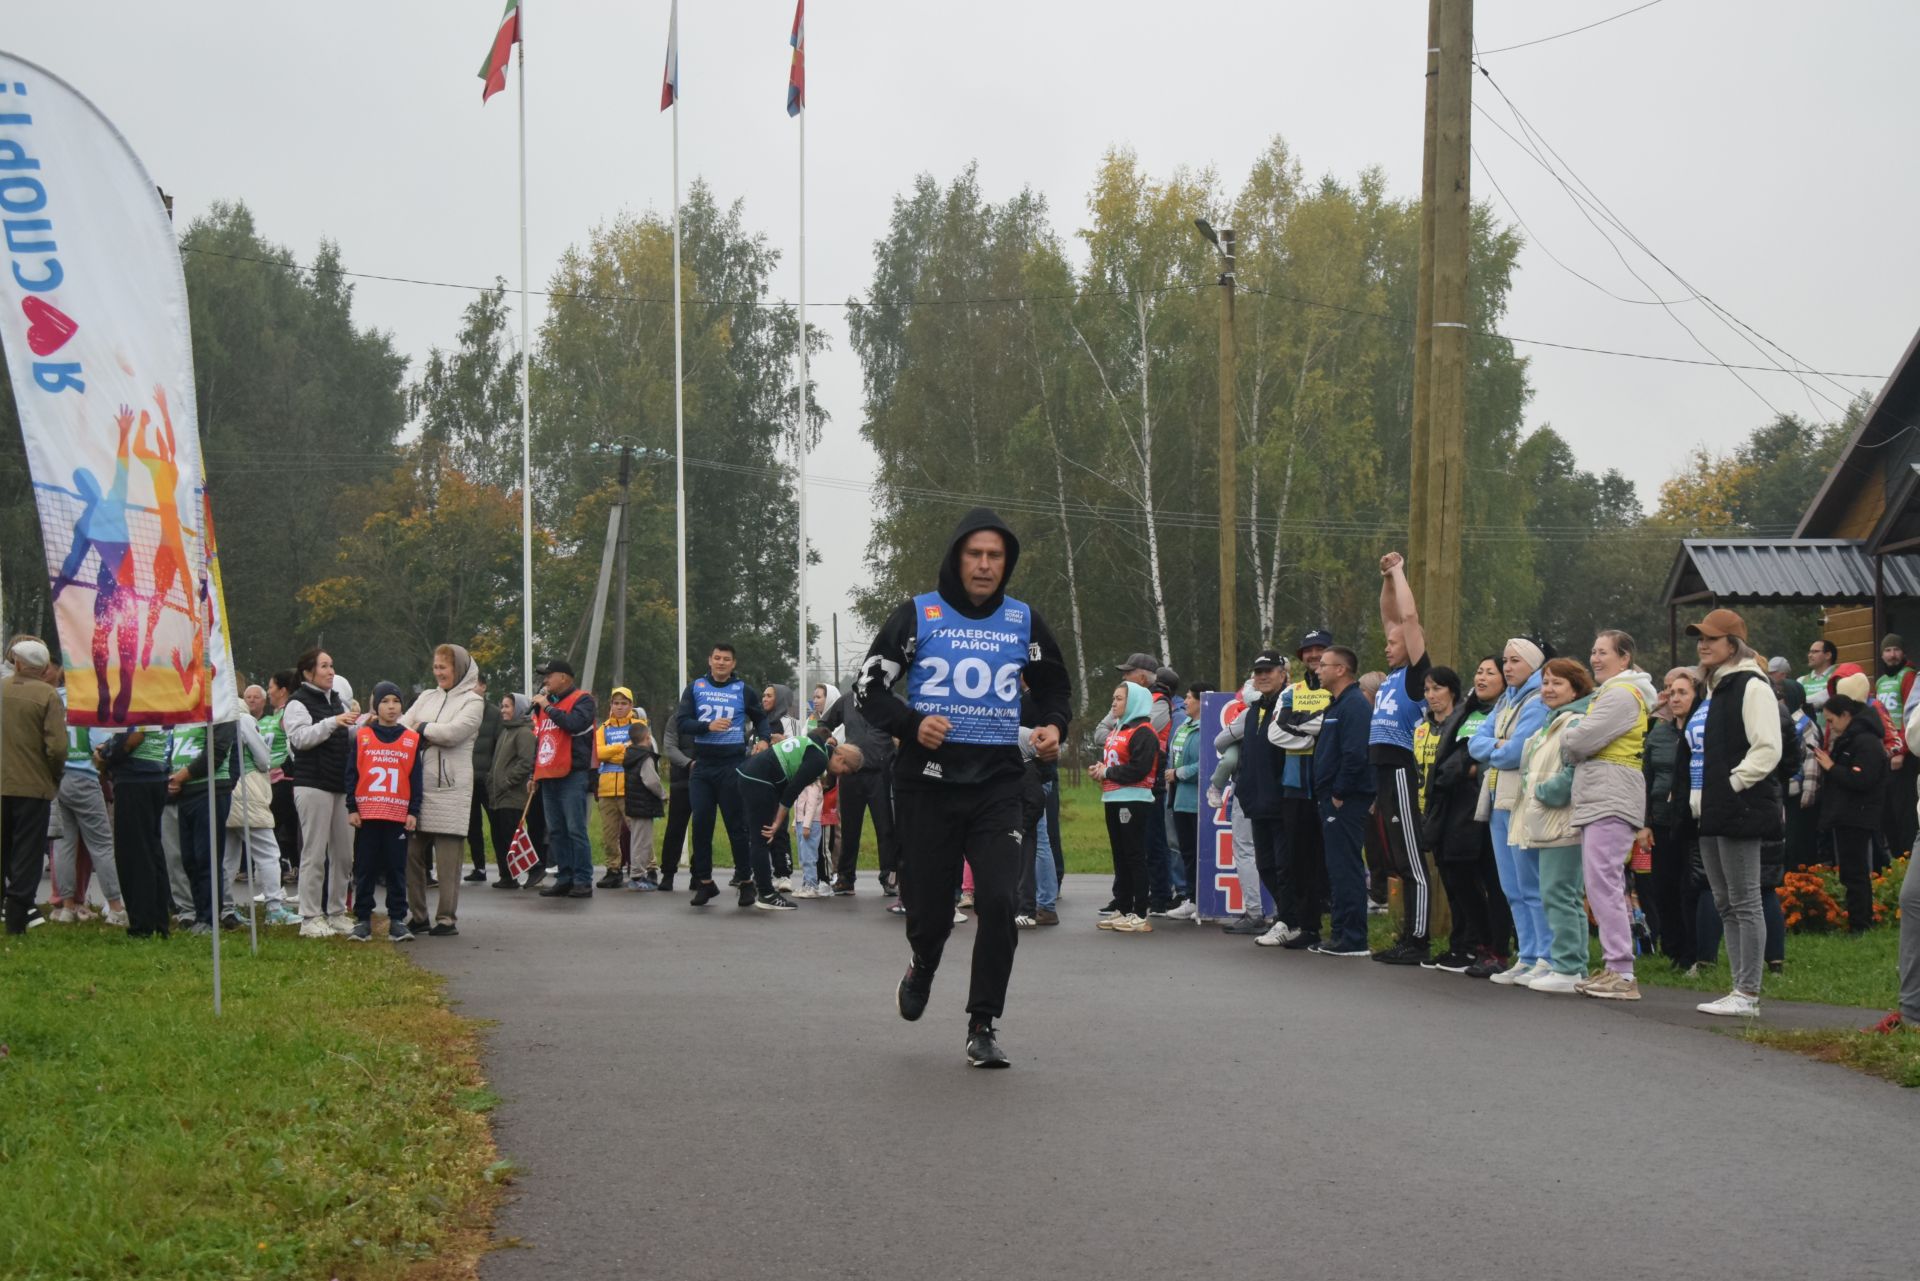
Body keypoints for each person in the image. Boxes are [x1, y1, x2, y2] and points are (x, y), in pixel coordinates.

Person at [857, 508, 1070, 1069]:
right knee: (929, 909)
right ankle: (923, 962)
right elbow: (868, 690)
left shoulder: (1024, 621)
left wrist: (1054, 728)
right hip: (928, 784)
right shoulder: (919, 614)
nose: (983, 565)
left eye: (994, 556)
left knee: (999, 900)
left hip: (998, 782)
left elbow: (1055, 689)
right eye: (974, 554)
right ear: (957, 557)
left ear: (1006, 563)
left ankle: (982, 1023)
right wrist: (910, 724)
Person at [1687, 607, 1783, 1017]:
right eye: (1700, 638)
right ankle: (1739, 988)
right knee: (1725, 901)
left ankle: (1748, 992)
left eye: (1712, 638)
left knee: (1745, 901)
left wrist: (1732, 785)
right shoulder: (1718, 687)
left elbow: (1768, 748)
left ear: (1733, 644)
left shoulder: (1751, 686)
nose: (1703, 644)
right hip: (1714, 808)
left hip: (1740, 806)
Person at [1561, 631, 1659, 1001]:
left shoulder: (1620, 694)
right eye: (1593, 651)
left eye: (1603, 652)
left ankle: (1622, 970)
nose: (1595, 658)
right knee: (1601, 882)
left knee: (1605, 881)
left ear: (1625, 658)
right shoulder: (1613, 692)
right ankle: (1615, 965)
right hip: (1601, 793)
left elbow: (1579, 741)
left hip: (1611, 794)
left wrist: (1571, 735)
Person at [1416, 659, 1509, 975]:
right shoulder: (1468, 710)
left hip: (1486, 802)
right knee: (1454, 872)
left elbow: (1505, 751)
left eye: (1490, 672)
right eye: (1479, 671)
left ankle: (1496, 948)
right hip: (1453, 803)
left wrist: (1475, 768)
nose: (1482, 677)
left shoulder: (1507, 712)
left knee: (1493, 880)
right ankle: (1477, 942)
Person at [1472, 639, 1553, 985]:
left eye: (1515, 661)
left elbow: (1517, 753)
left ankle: (1545, 956)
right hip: (1496, 800)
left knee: (1530, 883)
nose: (1507, 667)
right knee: (1510, 886)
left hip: (1519, 799)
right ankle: (1527, 955)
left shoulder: (1536, 702)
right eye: (1505, 660)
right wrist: (1497, 747)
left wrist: (1498, 748)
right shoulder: (1506, 700)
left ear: (1533, 664)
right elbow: (1477, 743)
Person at [1367, 552, 1434, 964]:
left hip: (1400, 771)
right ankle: (1407, 934)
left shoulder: (1415, 676)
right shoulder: (1392, 677)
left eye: (1394, 646)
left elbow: (1407, 622)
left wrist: (1401, 572)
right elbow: (1391, 618)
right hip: (1382, 774)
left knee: (1411, 858)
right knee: (1396, 858)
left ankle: (1419, 939)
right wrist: (1387, 582)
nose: (1387, 646)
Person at [1514, 658, 1593, 994]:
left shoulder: (1574, 722)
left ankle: (1569, 966)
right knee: (1558, 893)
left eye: (1557, 683)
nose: (1548, 689)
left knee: (1560, 894)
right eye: (1545, 682)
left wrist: (1546, 791)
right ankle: (1568, 963)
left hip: (1562, 820)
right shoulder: (1552, 721)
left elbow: (1573, 771)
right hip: (1546, 821)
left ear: (1575, 688)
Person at [673, 643, 769, 906]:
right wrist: (707, 726)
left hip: (732, 765)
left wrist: (764, 739)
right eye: (717, 658)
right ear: (710, 660)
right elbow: (682, 723)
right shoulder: (695, 688)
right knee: (701, 823)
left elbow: (761, 718)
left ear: (733, 664)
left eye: (726, 659)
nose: (721, 663)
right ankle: (704, 882)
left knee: (736, 826)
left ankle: (746, 881)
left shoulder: (743, 690)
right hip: (703, 765)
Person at [402, 644, 484, 935]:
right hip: (419, 788)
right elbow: (402, 726)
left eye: (443, 668)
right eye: (435, 667)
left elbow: (453, 734)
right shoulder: (426, 696)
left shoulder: (473, 703)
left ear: (458, 669)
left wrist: (422, 728)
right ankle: (418, 915)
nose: (438, 673)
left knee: (448, 861)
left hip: (451, 790)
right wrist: (422, 729)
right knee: (411, 853)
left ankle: (446, 919)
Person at [734, 730, 864, 910]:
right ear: (841, 759)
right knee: (762, 838)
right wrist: (777, 823)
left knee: (757, 837)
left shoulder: (817, 742)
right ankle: (766, 894)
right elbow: (792, 791)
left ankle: (754, 886)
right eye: (845, 771)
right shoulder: (819, 760)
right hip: (760, 780)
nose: (841, 775)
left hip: (751, 772)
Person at [1266, 631, 1334, 950]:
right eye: (1308, 650)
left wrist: (1305, 725)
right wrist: (1312, 738)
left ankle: (1342, 924)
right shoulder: (1291, 691)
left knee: (1332, 860)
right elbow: (1276, 731)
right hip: (1294, 788)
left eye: (1321, 649)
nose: (1314, 655)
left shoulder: (1342, 688)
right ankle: (1307, 926)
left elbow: (1336, 725)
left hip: (1329, 786)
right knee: (1298, 859)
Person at [284, 648, 359, 938]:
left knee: (343, 854)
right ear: (308, 672)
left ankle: (337, 912)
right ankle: (310, 917)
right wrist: (332, 723)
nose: (330, 671)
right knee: (314, 853)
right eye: (325, 666)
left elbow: (345, 736)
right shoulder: (297, 703)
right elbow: (300, 739)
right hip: (312, 784)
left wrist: (364, 726)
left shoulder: (337, 701)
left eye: (332, 665)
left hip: (340, 785)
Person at [344, 681, 424, 942]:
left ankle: (397, 919)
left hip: (396, 816)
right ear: (375, 706)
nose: (391, 707)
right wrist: (352, 807)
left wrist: (413, 811)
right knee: (365, 868)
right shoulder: (363, 736)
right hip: (368, 814)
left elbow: (415, 778)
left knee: (395, 869)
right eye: (385, 701)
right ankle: (363, 919)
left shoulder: (411, 739)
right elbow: (352, 774)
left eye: (396, 701)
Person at [1309, 645, 1375, 957]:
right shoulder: (1336, 705)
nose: (1317, 669)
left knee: (1347, 867)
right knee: (1336, 867)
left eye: (1323, 665)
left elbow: (1355, 754)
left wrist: (1339, 792)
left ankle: (1353, 937)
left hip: (1345, 801)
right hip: (1330, 798)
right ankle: (1339, 933)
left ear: (1341, 670)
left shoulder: (1355, 706)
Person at [2, 638, 65, 934]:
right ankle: (16, 917)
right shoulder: (48, 695)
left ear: (16, 663)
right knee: (27, 853)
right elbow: (57, 747)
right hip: (33, 787)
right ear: (43, 668)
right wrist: (53, 776)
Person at [50, 681, 125, 925]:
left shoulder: (55, 698)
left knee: (63, 845)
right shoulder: (91, 701)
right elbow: (100, 746)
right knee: (102, 844)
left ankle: (67, 907)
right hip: (84, 776)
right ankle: (115, 907)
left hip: (58, 777)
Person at [1642, 667, 1702, 967]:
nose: (1675, 698)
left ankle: (1694, 952)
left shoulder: (1702, 730)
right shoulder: (1659, 732)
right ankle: (1673, 948)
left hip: (1692, 820)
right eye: (1671, 692)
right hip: (1661, 820)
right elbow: (1646, 777)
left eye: (1682, 692)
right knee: (1662, 886)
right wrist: (1645, 823)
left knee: (1689, 887)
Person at [1813, 692, 1886, 933]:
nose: (1829, 727)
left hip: (1858, 814)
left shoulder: (1865, 742)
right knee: (1850, 871)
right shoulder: (1850, 739)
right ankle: (1856, 920)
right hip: (1846, 814)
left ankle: (1860, 924)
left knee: (1856, 873)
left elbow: (1862, 779)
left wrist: (1832, 767)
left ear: (1846, 715)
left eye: (1831, 720)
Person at [1091, 682, 1160, 933]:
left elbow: (1139, 769)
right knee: (1120, 855)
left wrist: (1108, 771)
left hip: (1134, 800)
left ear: (1133, 702)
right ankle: (1122, 906)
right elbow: (1116, 763)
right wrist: (1100, 770)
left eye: (1119, 699)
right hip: (1113, 798)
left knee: (1133, 855)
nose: (1114, 703)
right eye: (1113, 698)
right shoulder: (1117, 730)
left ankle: (1140, 913)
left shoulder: (1144, 732)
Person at [820, 683, 898, 894]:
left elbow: (910, 722)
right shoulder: (846, 700)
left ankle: (889, 877)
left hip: (880, 773)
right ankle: (845, 878)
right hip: (851, 773)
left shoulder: (891, 699)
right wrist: (829, 739)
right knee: (849, 829)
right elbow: (824, 723)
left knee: (886, 828)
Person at [226, 684, 295, 925]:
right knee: (268, 851)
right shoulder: (244, 719)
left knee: (229, 855)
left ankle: (225, 908)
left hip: (224, 787)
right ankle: (275, 908)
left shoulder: (217, 719)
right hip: (248, 787)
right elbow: (263, 758)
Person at [531, 658, 599, 898]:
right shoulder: (547, 704)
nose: (545, 681)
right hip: (548, 774)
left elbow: (574, 724)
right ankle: (565, 877)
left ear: (564, 677)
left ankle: (582, 879)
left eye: (549, 675)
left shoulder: (583, 700)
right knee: (556, 830)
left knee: (575, 829)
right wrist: (534, 772)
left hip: (573, 774)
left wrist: (547, 707)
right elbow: (540, 739)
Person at [168, 714, 241, 933]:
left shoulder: (221, 713)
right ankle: (200, 915)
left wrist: (181, 776)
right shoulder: (185, 710)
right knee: (189, 859)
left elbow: (216, 753)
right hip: (185, 794)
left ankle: (210, 918)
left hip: (209, 791)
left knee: (206, 858)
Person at [1165, 682, 1211, 922]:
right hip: (1179, 798)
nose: (1185, 701)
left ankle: (1200, 899)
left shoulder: (1207, 728)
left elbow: (1206, 760)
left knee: (1197, 852)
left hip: (1196, 800)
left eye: (1189, 697)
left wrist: (1179, 773)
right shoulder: (1184, 724)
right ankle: (1191, 898)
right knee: (1186, 851)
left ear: (1201, 701)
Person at [593, 688, 642, 889]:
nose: (619, 707)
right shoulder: (602, 728)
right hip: (606, 788)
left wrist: (611, 753)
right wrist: (622, 747)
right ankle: (613, 870)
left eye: (624, 703)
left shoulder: (638, 726)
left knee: (638, 831)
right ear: (610, 705)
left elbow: (636, 753)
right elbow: (597, 753)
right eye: (616, 703)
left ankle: (646, 868)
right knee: (609, 835)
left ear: (631, 705)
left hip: (630, 786)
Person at [488, 694, 538, 888]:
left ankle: (533, 869)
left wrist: (507, 781)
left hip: (512, 795)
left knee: (511, 837)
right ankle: (507, 876)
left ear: (519, 709)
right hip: (498, 795)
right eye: (502, 706)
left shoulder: (524, 733)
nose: (503, 710)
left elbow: (526, 762)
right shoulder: (506, 731)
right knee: (499, 837)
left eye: (507, 706)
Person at [263, 671, 302, 883]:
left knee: (273, 828)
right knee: (286, 828)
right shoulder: (274, 714)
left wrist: (288, 770)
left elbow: (293, 744)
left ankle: (280, 873)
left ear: (282, 690)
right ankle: (289, 868)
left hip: (285, 781)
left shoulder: (288, 713)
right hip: (271, 780)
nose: (268, 691)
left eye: (270, 687)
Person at [620, 718, 667, 889]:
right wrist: (663, 794)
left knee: (636, 840)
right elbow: (651, 781)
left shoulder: (630, 755)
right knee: (643, 841)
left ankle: (637, 873)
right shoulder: (645, 758)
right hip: (644, 804)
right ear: (647, 738)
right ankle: (638, 876)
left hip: (633, 803)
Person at [466, 674, 501, 883]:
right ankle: (479, 868)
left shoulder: (495, 714)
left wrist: (492, 773)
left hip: (488, 779)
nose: (471, 689)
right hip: (468, 778)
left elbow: (499, 745)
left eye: (475, 685)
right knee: (472, 826)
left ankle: (506, 868)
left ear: (483, 687)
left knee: (496, 824)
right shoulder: (463, 713)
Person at [656, 708, 695, 891]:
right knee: (675, 829)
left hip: (706, 780)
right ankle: (668, 874)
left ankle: (700, 874)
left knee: (703, 829)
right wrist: (689, 763)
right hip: (681, 780)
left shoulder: (712, 717)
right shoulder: (676, 718)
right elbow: (670, 747)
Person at [1801, 638, 1837, 713]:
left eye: (1815, 652)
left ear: (1828, 655)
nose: (1810, 655)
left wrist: (1802, 702)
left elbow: (1826, 697)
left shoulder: (1837, 676)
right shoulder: (1801, 680)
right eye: (1809, 652)